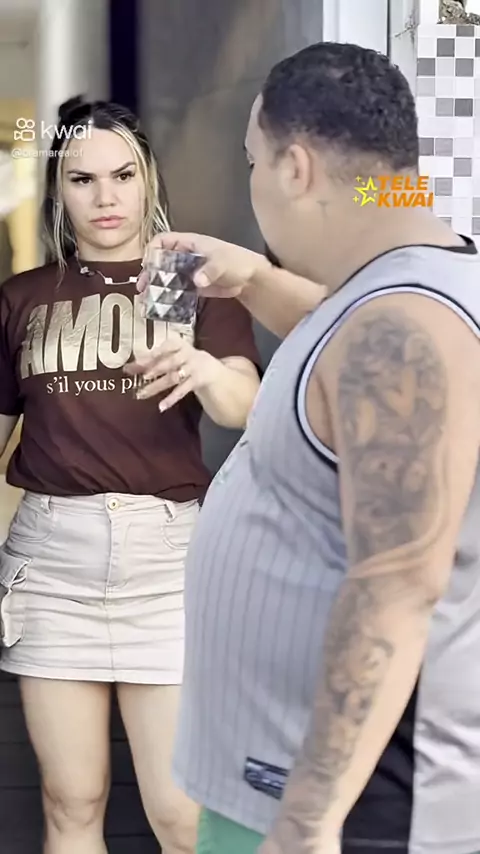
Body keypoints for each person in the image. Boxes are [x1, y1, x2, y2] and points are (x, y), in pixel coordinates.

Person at [140, 42, 480, 854]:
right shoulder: (391, 287)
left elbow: (398, 583)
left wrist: (309, 818)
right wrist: (254, 277)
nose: (251, 183)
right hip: (274, 789)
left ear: (294, 168)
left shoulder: (403, 325)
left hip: (341, 815)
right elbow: (345, 340)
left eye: (253, 162)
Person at [0, 96, 260, 854]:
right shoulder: (25, 298)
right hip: (53, 561)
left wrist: (204, 366)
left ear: (148, 179)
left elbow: (243, 406)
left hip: (168, 563)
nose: (105, 197)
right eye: (82, 179)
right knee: (71, 799)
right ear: (59, 191)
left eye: (123, 175)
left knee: (181, 817)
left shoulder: (192, 283)